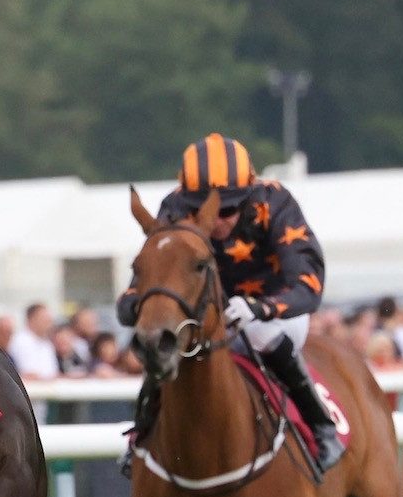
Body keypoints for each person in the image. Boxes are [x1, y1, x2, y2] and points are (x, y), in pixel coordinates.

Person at [119, 132, 345, 474]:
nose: (217, 220)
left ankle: (321, 427)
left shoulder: (275, 202)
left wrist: (260, 308)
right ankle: (142, 434)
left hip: (276, 310)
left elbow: (308, 284)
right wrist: (135, 302)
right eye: (203, 209)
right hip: (204, 316)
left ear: (249, 193)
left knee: (260, 337)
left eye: (229, 209)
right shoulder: (173, 208)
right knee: (164, 348)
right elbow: (154, 273)